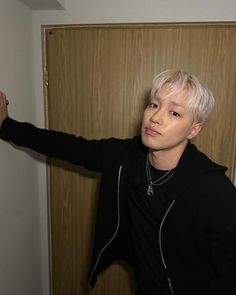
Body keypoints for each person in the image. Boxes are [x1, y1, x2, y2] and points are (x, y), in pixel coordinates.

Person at [0, 69, 236, 295]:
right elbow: (69, 147)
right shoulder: (125, 158)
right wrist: (5, 125)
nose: (155, 117)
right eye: (154, 104)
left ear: (194, 129)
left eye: (174, 113)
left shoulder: (214, 190)